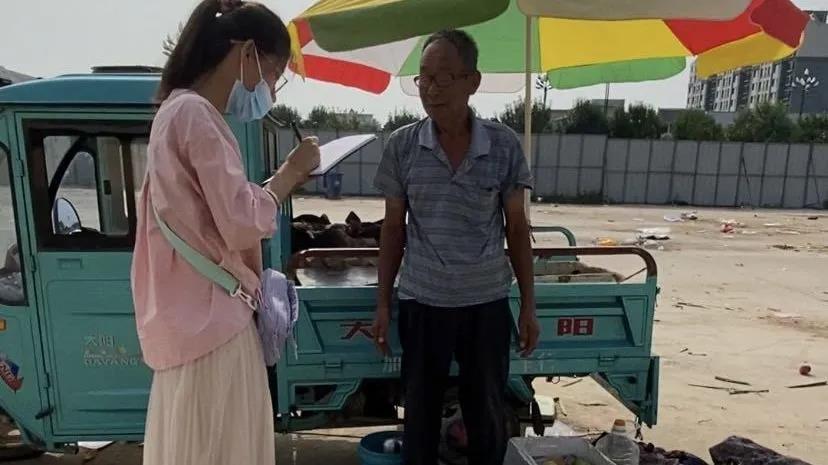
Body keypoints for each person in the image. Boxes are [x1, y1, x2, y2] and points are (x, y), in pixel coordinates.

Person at [130, 1, 319, 464]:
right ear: (247, 52)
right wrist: (288, 176)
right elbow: (238, 223)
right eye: (273, 74)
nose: (270, 90)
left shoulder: (174, 112)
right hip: (214, 327)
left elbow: (212, 216)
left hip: (189, 325)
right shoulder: (197, 116)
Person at [372, 30, 540, 465]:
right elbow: (393, 229)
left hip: (485, 302)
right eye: (424, 78)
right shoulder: (402, 146)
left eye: (444, 77)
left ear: (472, 81)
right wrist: (383, 303)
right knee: (419, 414)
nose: (431, 88)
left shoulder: (503, 145)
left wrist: (528, 305)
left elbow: (517, 227)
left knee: (486, 414)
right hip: (422, 301)